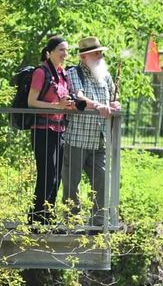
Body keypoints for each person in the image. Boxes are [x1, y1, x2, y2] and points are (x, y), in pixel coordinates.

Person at [62, 36, 120, 227]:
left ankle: (98, 223)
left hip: (99, 139)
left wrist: (113, 105)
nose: (100, 56)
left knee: (101, 181)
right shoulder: (73, 73)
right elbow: (79, 97)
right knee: (72, 185)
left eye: (101, 52)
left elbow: (112, 99)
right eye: (97, 53)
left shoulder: (106, 75)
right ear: (84, 56)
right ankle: (72, 223)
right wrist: (98, 106)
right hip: (77, 138)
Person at [28, 36, 74, 224]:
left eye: (66, 50)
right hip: (42, 130)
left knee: (56, 177)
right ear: (49, 52)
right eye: (61, 50)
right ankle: (36, 221)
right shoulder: (41, 72)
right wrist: (57, 106)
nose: (65, 54)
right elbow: (31, 102)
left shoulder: (62, 74)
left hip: (58, 129)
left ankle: (48, 218)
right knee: (46, 175)